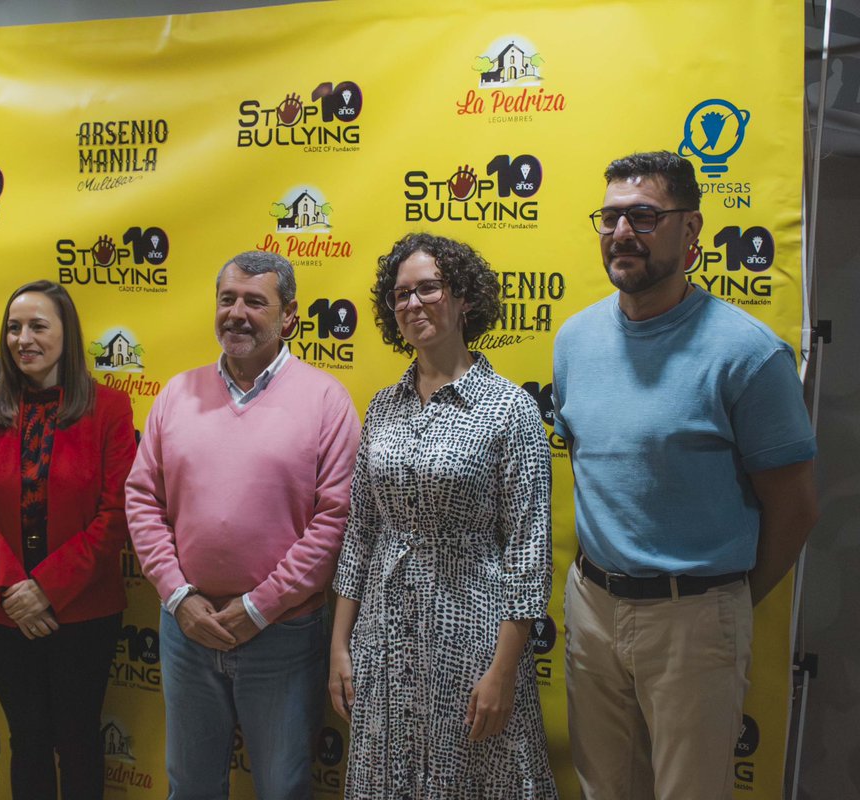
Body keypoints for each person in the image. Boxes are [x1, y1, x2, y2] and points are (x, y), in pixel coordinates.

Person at [553, 150, 819, 800]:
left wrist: (722, 603)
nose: (622, 233)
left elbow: (796, 507)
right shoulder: (575, 340)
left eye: (643, 216)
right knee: (603, 790)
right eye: (610, 217)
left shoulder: (746, 355)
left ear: (691, 229)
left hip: (694, 615)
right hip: (591, 605)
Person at [329, 233, 557, 799]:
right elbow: (360, 532)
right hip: (383, 638)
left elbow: (528, 552)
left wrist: (504, 673)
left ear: (463, 300)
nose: (412, 304)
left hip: (475, 640)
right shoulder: (384, 405)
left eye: (428, 288)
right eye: (400, 294)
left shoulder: (509, 409)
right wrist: (340, 645)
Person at [126, 250, 360, 799]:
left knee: (282, 787)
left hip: (283, 632)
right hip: (188, 628)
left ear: (290, 317)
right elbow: (141, 500)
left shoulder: (326, 400)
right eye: (227, 299)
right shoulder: (175, 396)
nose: (237, 313)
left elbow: (335, 521)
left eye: (255, 302)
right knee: (191, 787)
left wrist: (261, 607)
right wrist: (179, 597)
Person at [0, 280, 136, 800]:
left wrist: (48, 588)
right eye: (14, 327)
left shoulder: (110, 409)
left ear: (67, 334)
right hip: (4, 609)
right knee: (28, 740)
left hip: (83, 612)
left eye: (38, 326)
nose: (23, 338)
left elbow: (116, 513)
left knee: (78, 741)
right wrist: (16, 587)